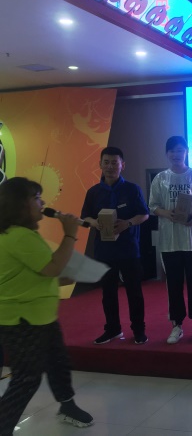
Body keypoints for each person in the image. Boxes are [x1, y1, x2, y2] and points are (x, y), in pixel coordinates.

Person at [0, 178, 93, 432]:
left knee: (57, 362)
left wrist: (63, 277)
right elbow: (53, 267)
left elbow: (36, 273)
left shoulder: (22, 234)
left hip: (40, 316)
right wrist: (70, 233)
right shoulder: (19, 237)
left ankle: (67, 405)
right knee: (27, 378)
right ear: (20, 204)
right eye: (36, 198)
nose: (42, 203)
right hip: (22, 319)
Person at [81, 147, 149, 345]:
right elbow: (85, 217)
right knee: (108, 292)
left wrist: (128, 223)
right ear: (100, 164)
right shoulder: (93, 192)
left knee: (134, 292)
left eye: (114, 162)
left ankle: (139, 330)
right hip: (104, 250)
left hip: (129, 248)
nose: (110, 166)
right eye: (106, 162)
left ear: (122, 165)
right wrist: (94, 223)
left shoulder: (132, 189)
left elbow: (144, 214)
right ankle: (112, 329)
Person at [149, 136, 192, 344]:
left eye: (180, 150)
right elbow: (152, 206)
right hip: (170, 240)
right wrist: (167, 213)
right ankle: (177, 325)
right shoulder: (160, 178)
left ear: (187, 152)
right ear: (167, 153)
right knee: (173, 284)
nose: (176, 154)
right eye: (172, 151)